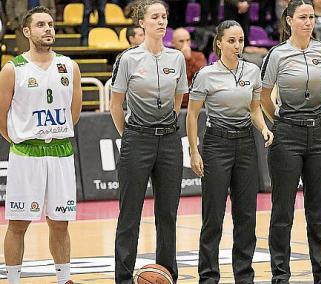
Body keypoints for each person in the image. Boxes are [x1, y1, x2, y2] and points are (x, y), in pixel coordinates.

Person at [186, 20, 273, 284]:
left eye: (241, 40)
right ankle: (209, 276)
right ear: (219, 43)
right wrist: (194, 151)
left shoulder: (252, 71)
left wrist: (264, 129)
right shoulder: (206, 74)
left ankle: (244, 276)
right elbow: (191, 115)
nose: (237, 45)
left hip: (246, 143)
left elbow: (255, 108)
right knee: (212, 215)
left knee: (246, 215)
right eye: (232, 40)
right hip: (216, 145)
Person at [0, 6, 82, 284]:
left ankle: (64, 279)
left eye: (51, 24)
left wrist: (55, 131)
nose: (48, 29)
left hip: (60, 151)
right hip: (27, 153)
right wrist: (21, 139)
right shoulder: (13, 69)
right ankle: (12, 280)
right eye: (41, 25)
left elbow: (75, 111)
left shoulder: (69, 66)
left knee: (60, 223)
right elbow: (1, 116)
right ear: (27, 31)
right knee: (18, 223)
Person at [110, 0, 188, 283]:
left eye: (164, 17)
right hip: (137, 139)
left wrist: (163, 125)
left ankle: (168, 275)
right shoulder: (129, 59)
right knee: (130, 212)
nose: (161, 21)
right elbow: (116, 104)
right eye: (155, 17)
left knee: (167, 213)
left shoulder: (176, 58)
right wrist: (131, 135)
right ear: (141, 23)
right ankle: (123, 277)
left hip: (169, 140)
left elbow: (178, 100)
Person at [260, 0, 321, 283]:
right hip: (287, 136)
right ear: (289, 20)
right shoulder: (277, 54)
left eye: (312, 17)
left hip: (318, 134)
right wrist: (280, 120)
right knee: (283, 211)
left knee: (318, 211)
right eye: (302, 17)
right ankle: (280, 274)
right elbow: (264, 96)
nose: (308, 22)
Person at [172, 27, 207, 108]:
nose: (185, 44)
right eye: (181, 41)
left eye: (188, 40)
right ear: (173, 43)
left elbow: (201, 78)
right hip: (175, 103)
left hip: (195, 102)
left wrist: (189, 59)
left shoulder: (199, 56)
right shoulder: (169, 58)